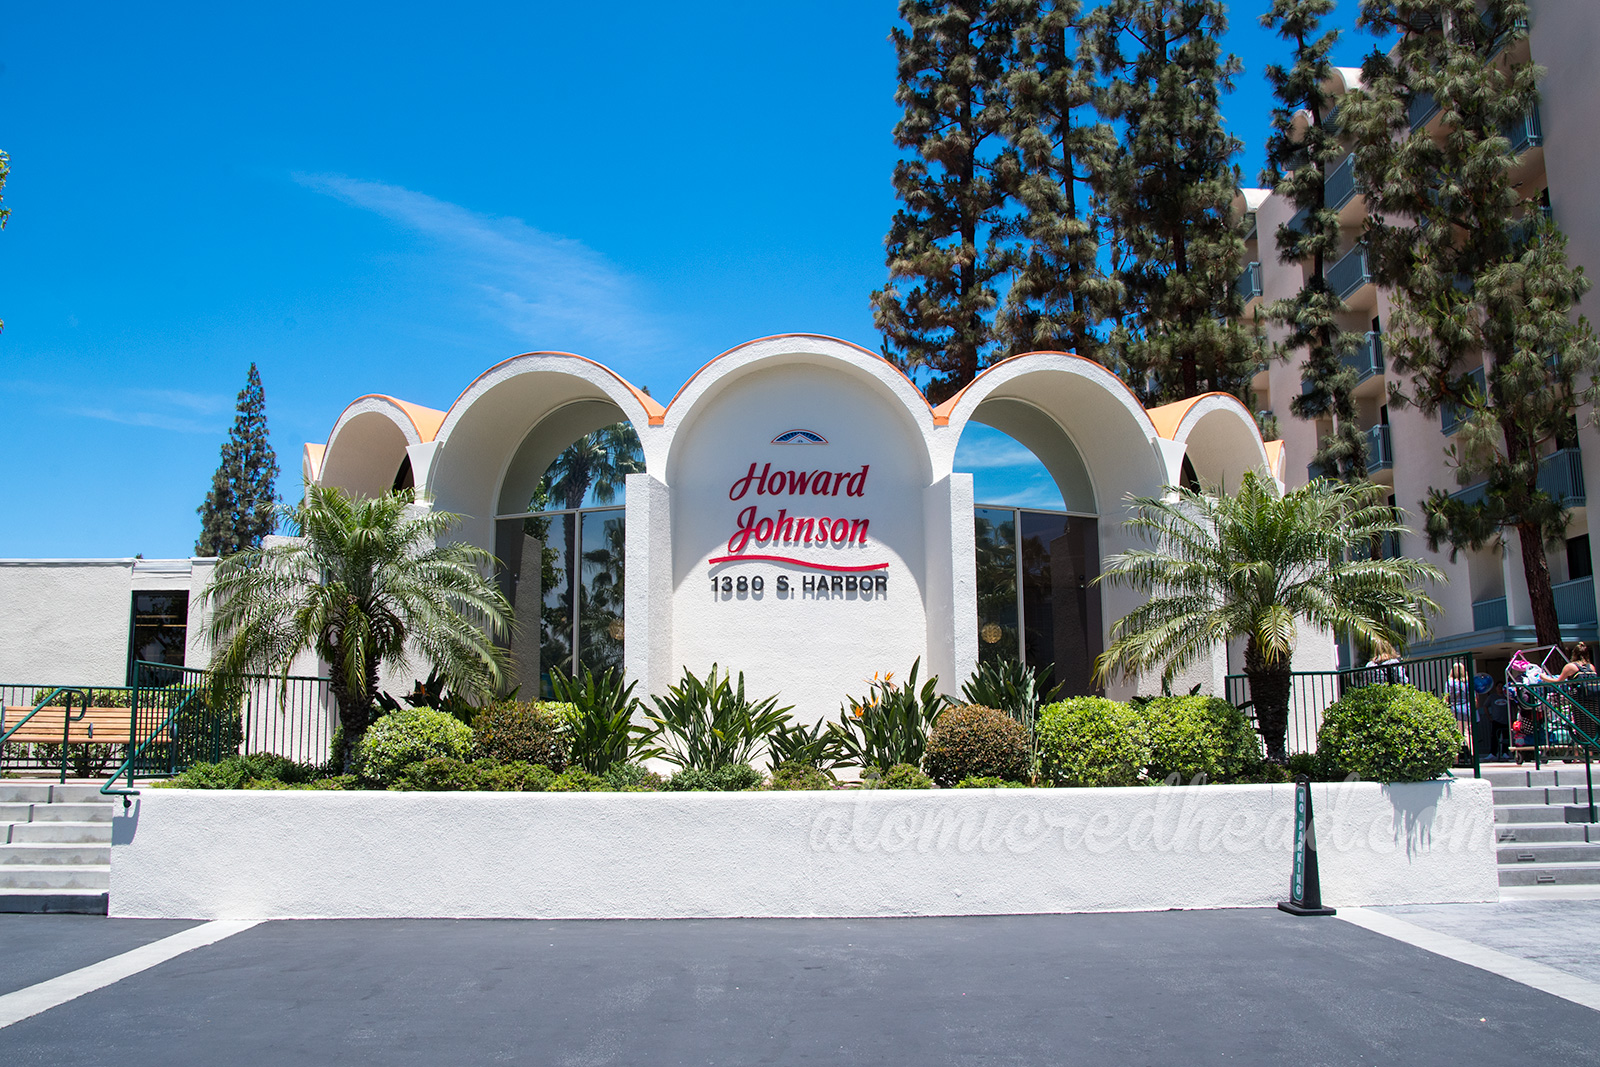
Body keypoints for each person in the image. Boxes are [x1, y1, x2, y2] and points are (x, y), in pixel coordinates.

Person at [1446, 662, 1473, 740]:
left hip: (1455, 709)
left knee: (1455, 733)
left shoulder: (1450, 683)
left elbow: (1446, 698)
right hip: (1467, 709)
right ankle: (1472, 751)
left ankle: (1458, 751)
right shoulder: (1467, 682)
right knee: (1467, 733)